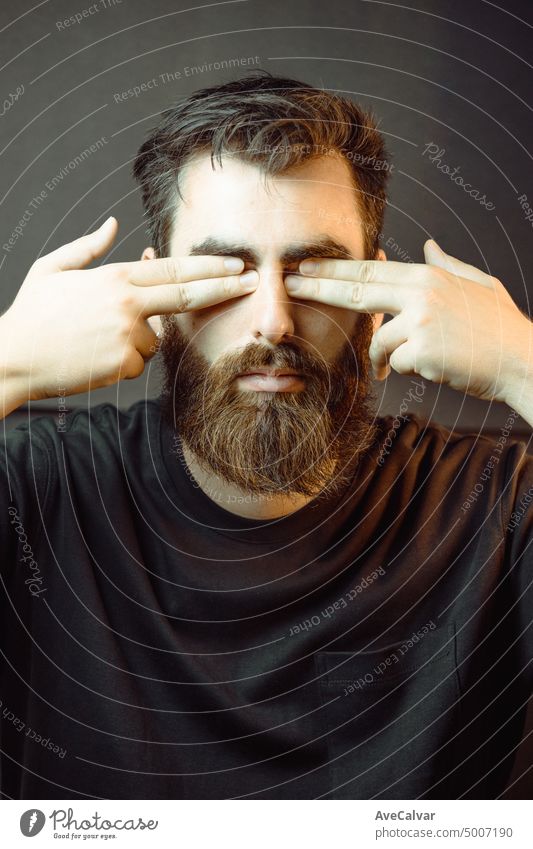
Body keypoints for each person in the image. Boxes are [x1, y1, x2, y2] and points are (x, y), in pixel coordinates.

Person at [0, 71, 531, 800]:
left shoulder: (495, 506)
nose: (272, 320)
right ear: (157, 297)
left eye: (314, 269)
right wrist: (6, 363)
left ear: (376, 293)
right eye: (227, 270)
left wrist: (522, 365)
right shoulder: (34, 487)